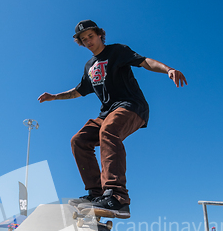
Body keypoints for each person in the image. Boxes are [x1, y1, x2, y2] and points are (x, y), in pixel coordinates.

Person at [38, 20, 187, 218]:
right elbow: (78, 91)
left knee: (108, 130)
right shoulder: (89, 66)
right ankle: (96, 193)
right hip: (107, 113)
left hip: (131, 106)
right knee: (79, 140)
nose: (88, 41)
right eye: (84, 40)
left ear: (100, 35)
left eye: (91, 36)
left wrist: (168, 69)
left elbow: (144, 61)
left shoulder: (117, 51)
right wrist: (54, 96)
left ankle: (118, 197)